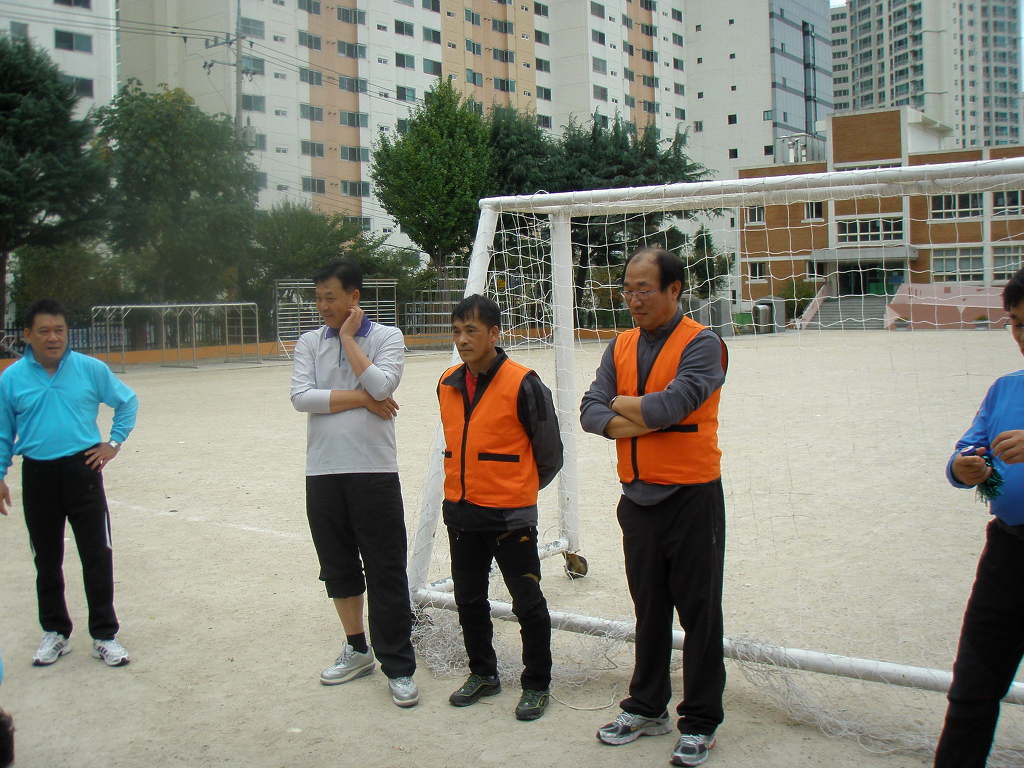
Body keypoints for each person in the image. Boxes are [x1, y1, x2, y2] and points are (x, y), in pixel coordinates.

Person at [580, 248, 728, 767]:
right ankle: (646, 706)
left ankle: (701, 719)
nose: (633, 299)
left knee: (700, 613)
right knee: (649, 609)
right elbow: (588, 411)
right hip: (638, 498)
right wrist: (640, 413)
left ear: (674, 289)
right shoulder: (619, 345)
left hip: (692, 497)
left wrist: (620, 407)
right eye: (628, 289)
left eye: (644, 289)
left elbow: (673, 405)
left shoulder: (704, 344)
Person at [289, 261, 418, 708]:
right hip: (323, 471)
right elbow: (300, 398)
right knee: (338, 565)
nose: (323, 306)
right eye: (318, 298)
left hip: (373, 471)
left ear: (354, 297)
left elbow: (383, 386)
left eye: (331, 297)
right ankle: (357, 648)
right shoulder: (309, 342)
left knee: (385, 568)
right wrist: (361, 398)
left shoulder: (387, 337)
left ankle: (398, 666)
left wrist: (348, 340)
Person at [438, 294, 563, 721]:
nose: (462, 339)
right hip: (461, 513)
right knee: (469, 599)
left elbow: (550, 455)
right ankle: (483, 673)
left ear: (494, 333)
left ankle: (537, 683)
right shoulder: (447, 382)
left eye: (471, 330)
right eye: (457, 331)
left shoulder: (525, 383)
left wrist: (517, 489)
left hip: (511, 517)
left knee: (527, 601)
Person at [0, 298, 138, 668]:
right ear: (27, 335)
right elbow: (3, 432)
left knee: (97, 555)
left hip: (83, 472)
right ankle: (55, 632)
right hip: (38, 475)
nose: (53, 337)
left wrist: (113, 443)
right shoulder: (11, 379)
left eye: (59, 330)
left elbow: (127, 402)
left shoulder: (90, 370)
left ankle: (104, 635)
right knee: (46, 559)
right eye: (43, 331)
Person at [934, 267, 1024, 767]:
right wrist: (964, 467)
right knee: (973, 680)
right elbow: (967, 451)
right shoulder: (1006, 390)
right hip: (1008, 551)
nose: (1022, 336)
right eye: (1016, 323)